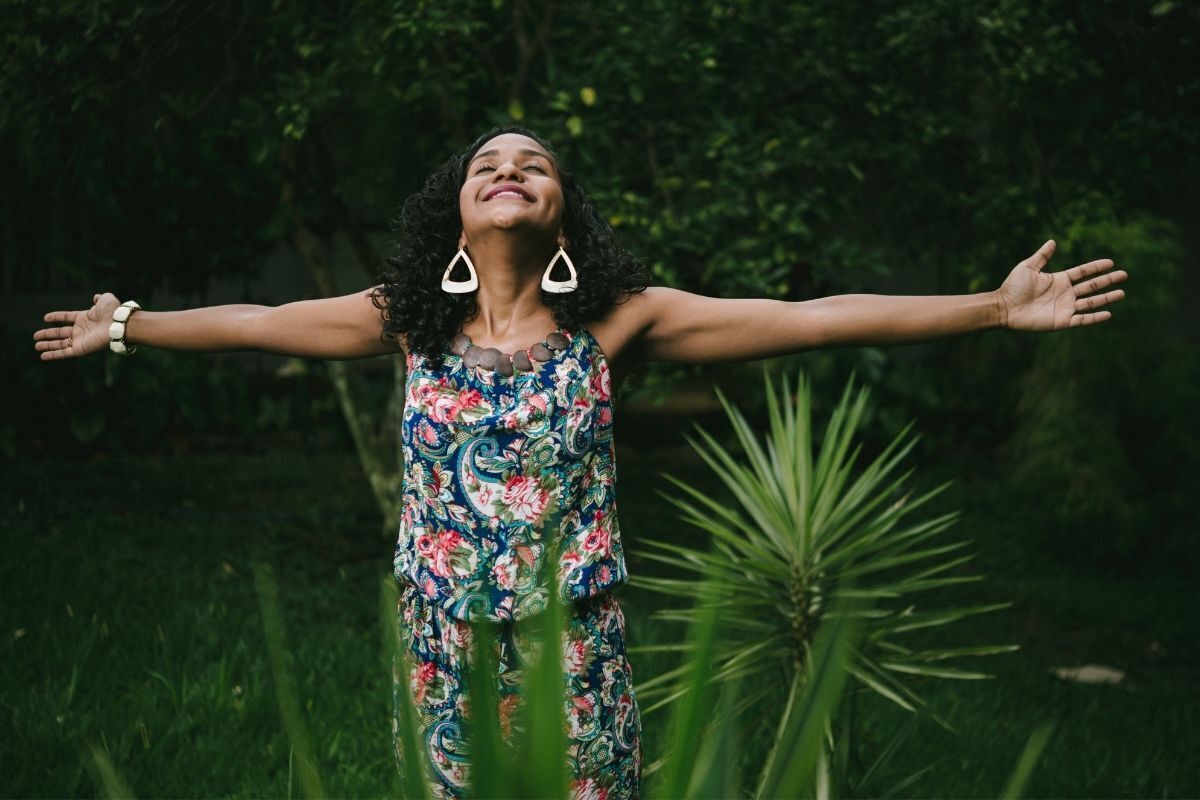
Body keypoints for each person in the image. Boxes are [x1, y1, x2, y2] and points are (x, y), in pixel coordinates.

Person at [33, 126, 1127, 799]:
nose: (509, 170)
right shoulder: (407, 321)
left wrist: (991, 306)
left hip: (577, 647)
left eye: (534, 164)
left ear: (560, 211)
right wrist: (128, 322)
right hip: (443, 647)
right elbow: (256, 319)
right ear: (456, 212)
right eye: (487, 165)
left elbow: (810, 316)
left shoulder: (622, 321)